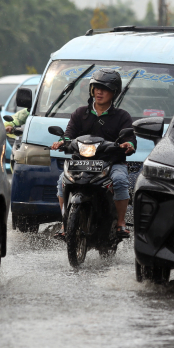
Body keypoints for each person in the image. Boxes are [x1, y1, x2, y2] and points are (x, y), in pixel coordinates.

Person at [50, 68, 136, 238]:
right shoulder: (79, 113)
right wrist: (61, 142)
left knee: (119, 181)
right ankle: (65, 223)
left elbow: (130, 139)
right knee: (62, 182)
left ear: (114, 92)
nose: (99, 92)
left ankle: (120, 222)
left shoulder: (122, 116)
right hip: (80, 163)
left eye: (104, 88)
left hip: (111, 164)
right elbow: (68, 135)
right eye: (96, 88)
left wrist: (128, 145)